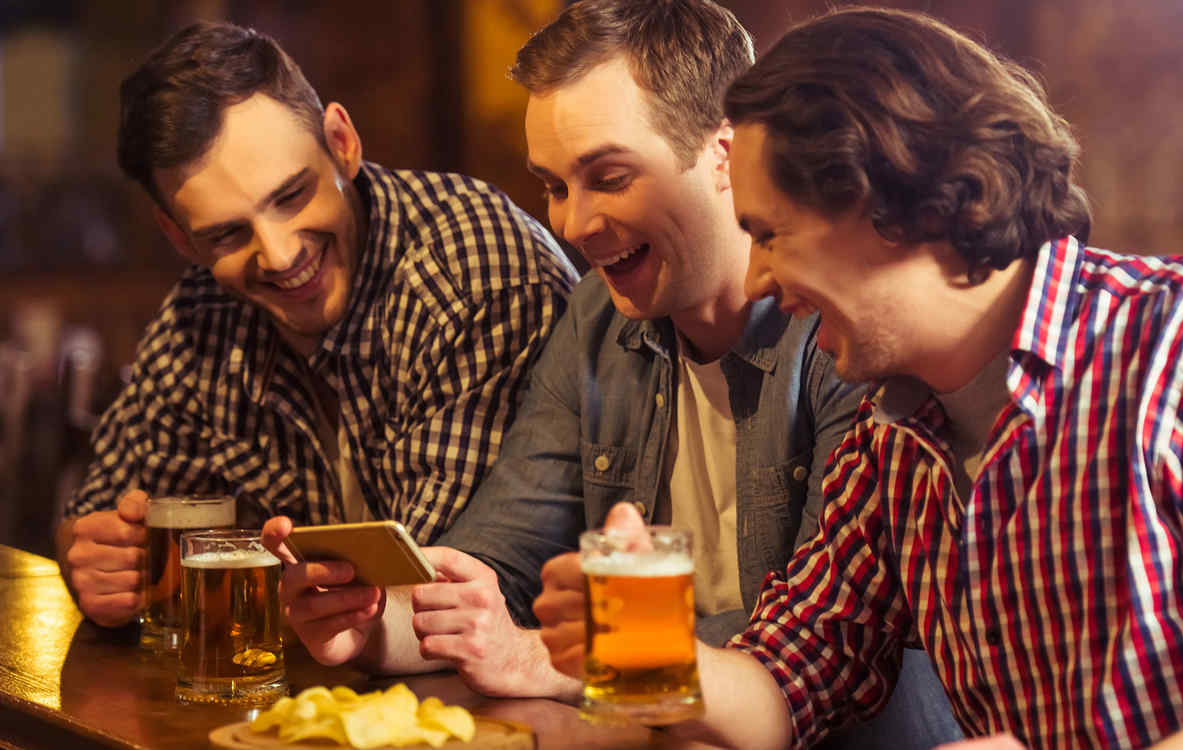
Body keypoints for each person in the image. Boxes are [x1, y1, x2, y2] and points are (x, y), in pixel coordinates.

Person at [533, 7, 1183, 750]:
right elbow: (787, 680)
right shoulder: (894, 441)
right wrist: (647, 649)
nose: (756, 280)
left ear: (894, 203)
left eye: (770, 235)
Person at [261, 2, 962, 748]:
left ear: (728, 152)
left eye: (610, 177)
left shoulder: (852, 327)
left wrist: (565, 655)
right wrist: (372, 624)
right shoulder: (600, 317)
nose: (572, 225)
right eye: (555, 186)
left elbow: (813, 644)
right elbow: (499, 568)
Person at [56, 21, 578, 631]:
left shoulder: (473, 275)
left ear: (341, 142)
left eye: (291, 195)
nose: (279, 255)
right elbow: (93, 514)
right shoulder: (203, 312)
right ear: (180, 238)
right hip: (313, 677)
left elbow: (422, 595)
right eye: (227, 233)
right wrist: (98, 560)